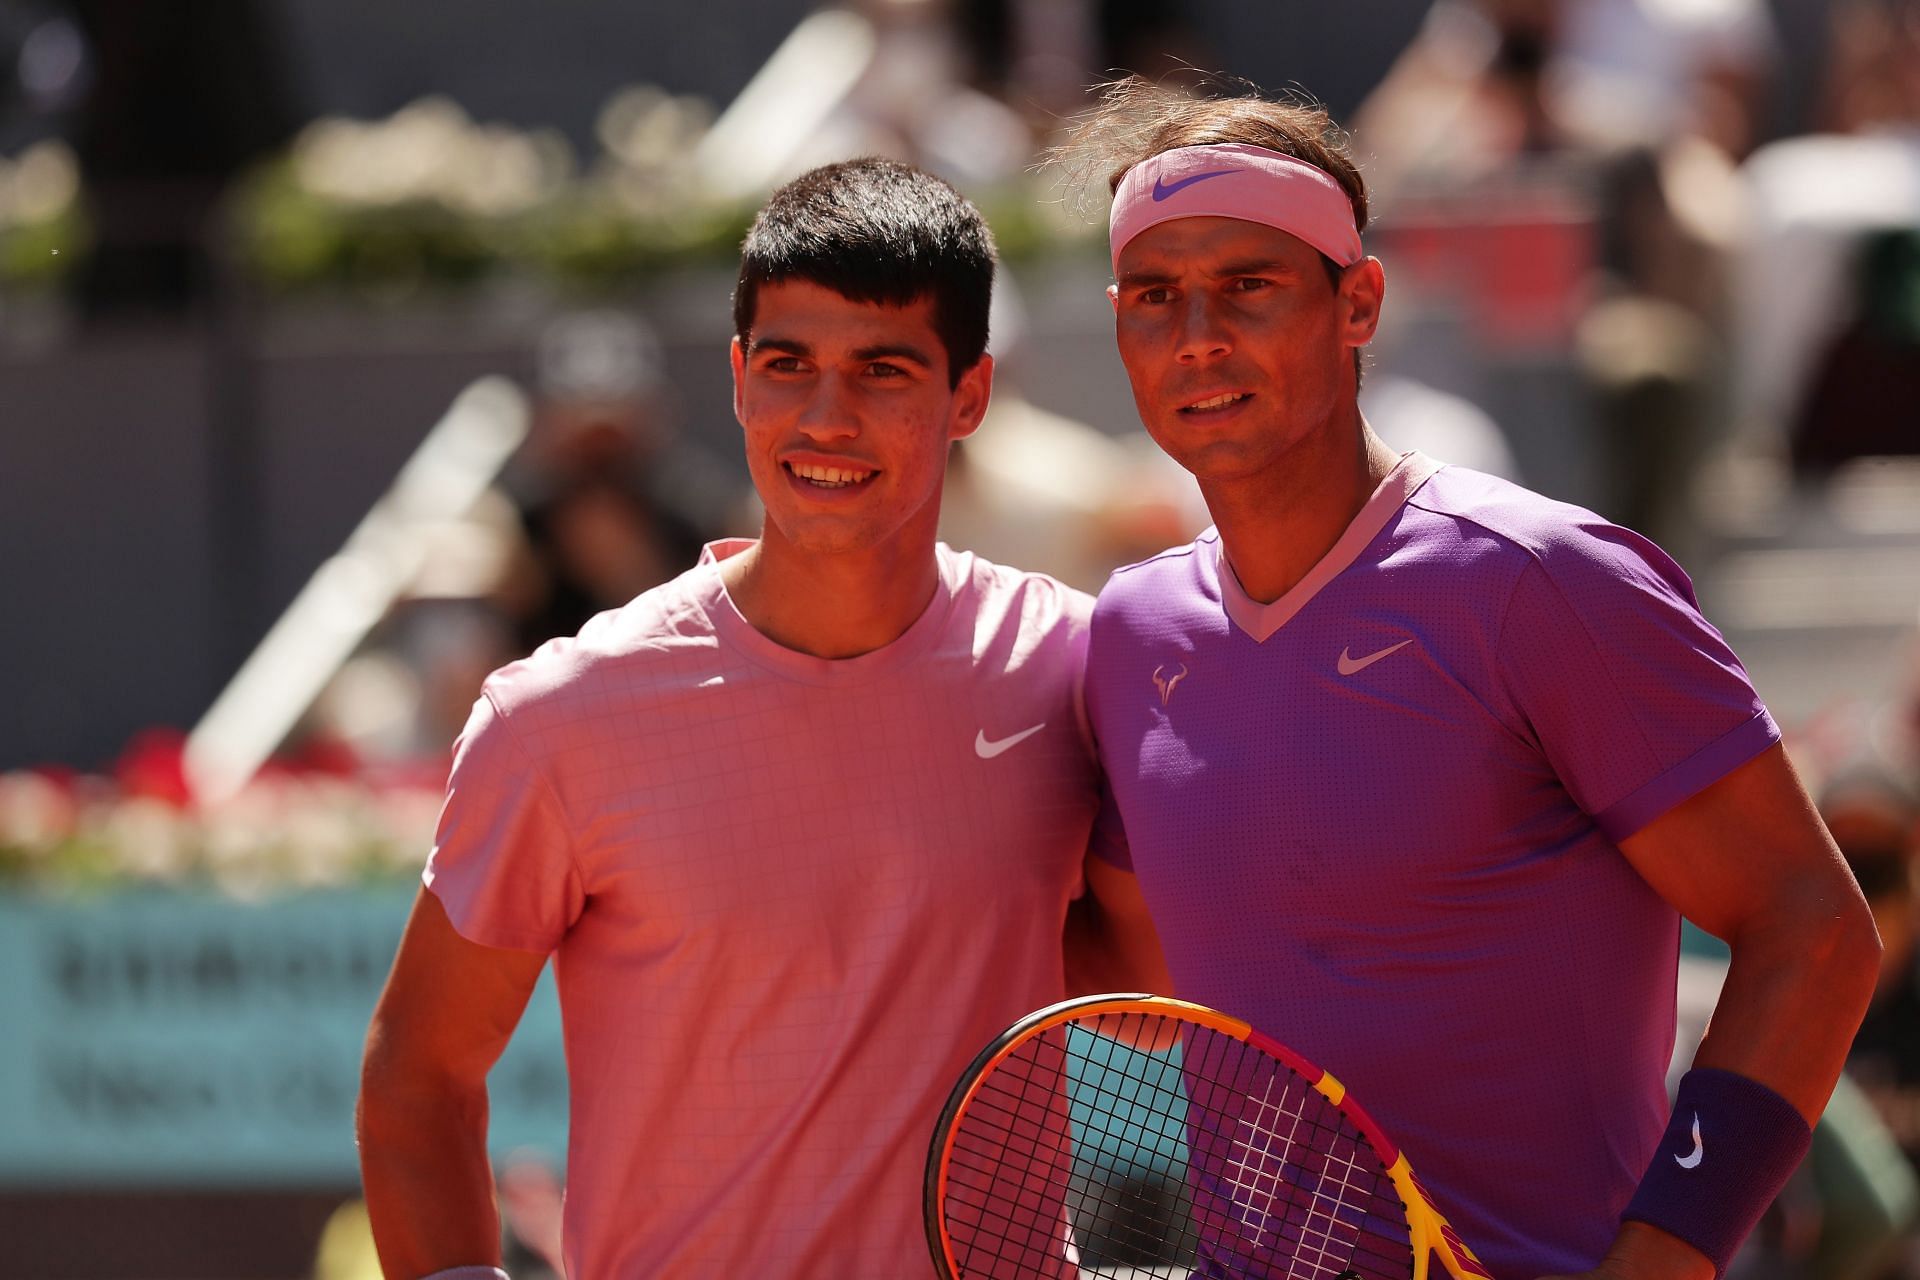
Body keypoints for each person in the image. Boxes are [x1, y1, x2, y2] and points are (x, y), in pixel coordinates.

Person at [1060, 78, 1883, 1279]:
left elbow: (1814, 929)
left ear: (1359, 303)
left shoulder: (1542, 582)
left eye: (1249, 286)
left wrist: (1663, 1258)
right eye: (1155, 297)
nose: (1198, 336)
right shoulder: (1134, 631)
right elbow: (1132, 964)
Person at [356, 157, 1166, 1278]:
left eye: (883, 370)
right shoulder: (559, 716)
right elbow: (418, 1073)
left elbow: (1157, 1005)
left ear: (969, 394)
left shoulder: (1081, 671)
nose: (826, 418)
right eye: (788, 366)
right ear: (739, 378)